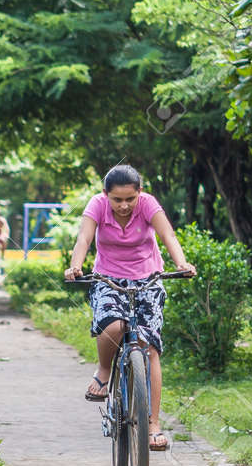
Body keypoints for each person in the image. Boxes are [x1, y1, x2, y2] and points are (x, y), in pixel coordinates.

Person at [64, 164, 195, 451]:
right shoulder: (97, 205)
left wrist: (181, 263)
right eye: (117, 199)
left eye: (130, 199)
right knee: (113, 325)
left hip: (148, 277)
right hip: (108, 279)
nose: (124, 206)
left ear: (140, 193)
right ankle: (104, 370)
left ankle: (153, 425)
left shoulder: (148, 204)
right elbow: (84, 238)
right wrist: (76, 266)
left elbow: (168, 236)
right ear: (105, 194)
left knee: (149, 347)